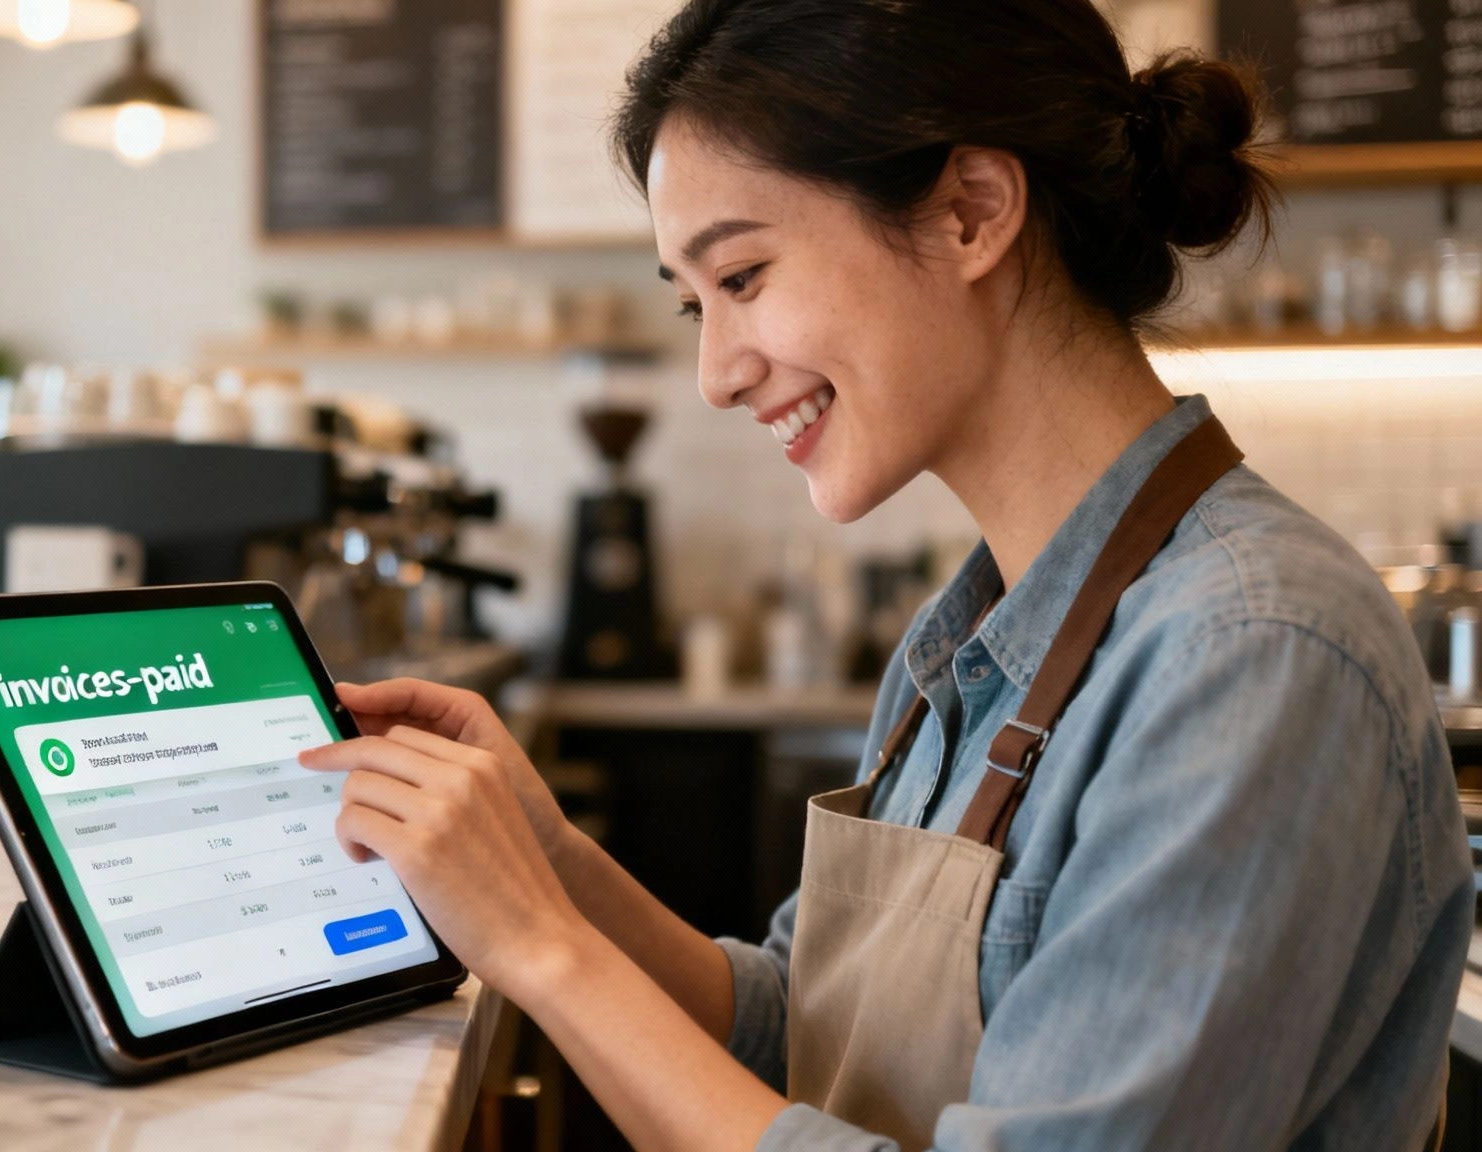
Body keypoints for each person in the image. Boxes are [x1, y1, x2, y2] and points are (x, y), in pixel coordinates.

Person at [295, 2, 1470, 1149]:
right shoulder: (969, 640)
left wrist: (536, 946)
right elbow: (799, 1037)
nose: (713, 373)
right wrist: (545, 859)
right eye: (693, 304)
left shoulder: (1251, 654)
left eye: (741, 277)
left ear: (969, 213)